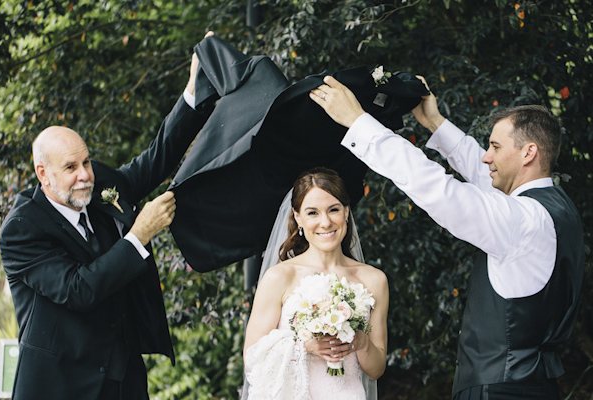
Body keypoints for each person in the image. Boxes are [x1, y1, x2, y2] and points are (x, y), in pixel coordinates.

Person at [309, 77, 585, 399]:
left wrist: (358, 122)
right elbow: (485, 178)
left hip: (499, 392)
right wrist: (434, 123)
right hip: (537, 385)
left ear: (528, 153)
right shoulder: (553, 209)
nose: (486, 157)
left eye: (495, 147)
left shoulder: (521, 221)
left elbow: (439, 190)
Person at [0, 34, 214, 400]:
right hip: (58, 384)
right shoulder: (21, 229)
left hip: (122, 378)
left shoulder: (96, 181)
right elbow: (78, 289)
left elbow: (153, 161)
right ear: (43, 174)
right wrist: (139, 234)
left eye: (85, 161)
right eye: (71, 167)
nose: (85, 174)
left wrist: (193, 93)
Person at [243, 167, 389, 400]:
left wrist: (361, 342)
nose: (325, 222)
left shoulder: (373, 279)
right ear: (298, 217)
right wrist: (304, 346)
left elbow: (376, 369)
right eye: (312, 213)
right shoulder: (280, 277)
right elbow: (252, 357)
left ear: (346, 213)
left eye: (333, 210)